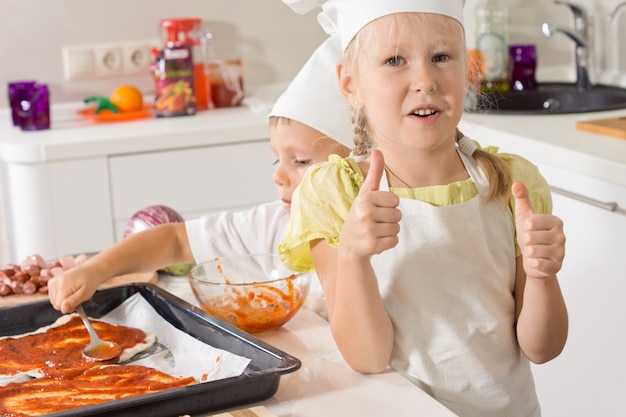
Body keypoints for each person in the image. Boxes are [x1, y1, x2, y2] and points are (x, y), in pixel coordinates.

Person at [278, 1, 568, 416]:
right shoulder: (336, 194)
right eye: (395, 60)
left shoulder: (513, 185)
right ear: (350, 85)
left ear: (467, 71)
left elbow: (543, 348)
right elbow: (367, 357)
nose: (424, 80)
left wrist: (543, 277)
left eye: (441, 57)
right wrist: (354, 256)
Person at [48, 35, 353, 316]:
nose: (279, 177)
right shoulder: (274, 225)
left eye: (299, 161)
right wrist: (94, 271)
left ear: (356, 165)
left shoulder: (387, 233)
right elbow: (175, 241)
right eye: (276, 160)